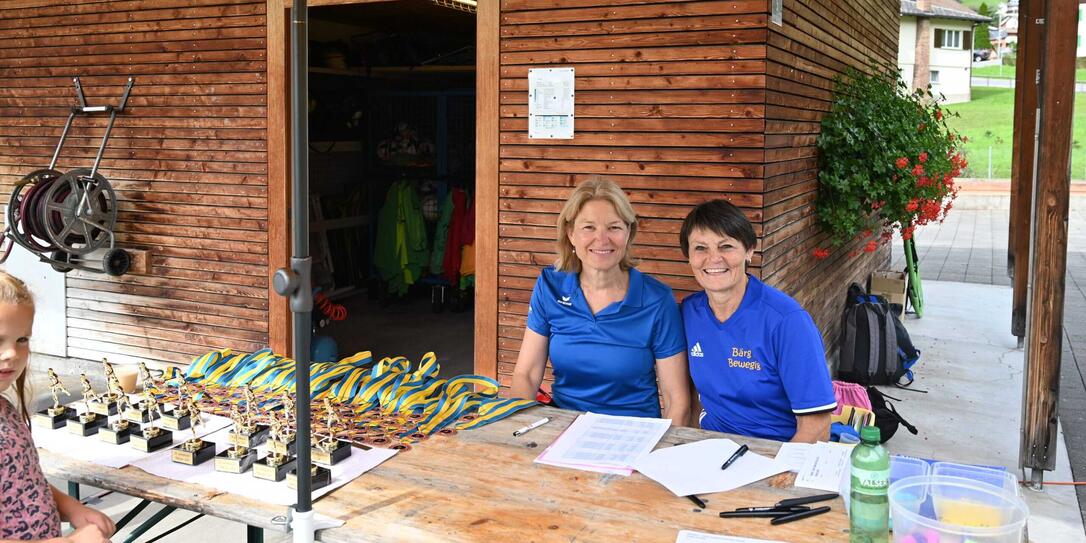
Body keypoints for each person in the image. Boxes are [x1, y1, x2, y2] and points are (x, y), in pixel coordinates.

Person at [509, 177, 690, 424]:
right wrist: (516, 431)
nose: (602, 239)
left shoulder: (657, 300)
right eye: (589, 228)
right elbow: (526, 375)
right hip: (562, 428)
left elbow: (675, 399)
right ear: (571, 233)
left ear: (629, 233)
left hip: (634, 432)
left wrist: (664, 456)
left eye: (614, 227)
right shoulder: (550, 286)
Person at [678, 200, 836, 442]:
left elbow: (816, 427)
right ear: (688, 256)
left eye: (726, 246)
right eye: (700, 248)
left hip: (775, 451)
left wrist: (776, 476)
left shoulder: (787, 322)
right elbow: (689, 395)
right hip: (711, 449)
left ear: (749, 250)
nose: (713, 258)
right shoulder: (689, 313)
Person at [0, 270, 114, 543]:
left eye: (22, 340)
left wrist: (71, 507)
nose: (13, 353)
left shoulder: (5, 409)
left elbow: (21, 484)